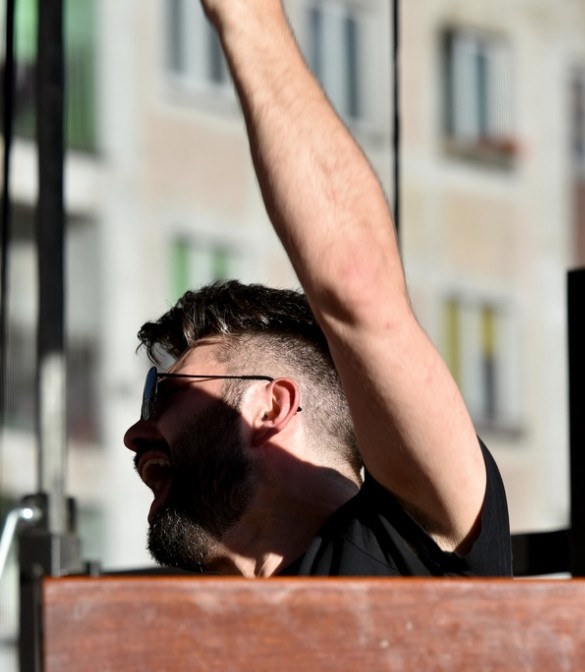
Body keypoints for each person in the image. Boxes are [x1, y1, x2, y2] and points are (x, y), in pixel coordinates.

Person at [122, 0, 511, 578]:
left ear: (271, 407)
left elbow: (355, 283)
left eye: (167, 394)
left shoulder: (411, 539)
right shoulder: (175, 624)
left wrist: (244, 15)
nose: (134, 434)